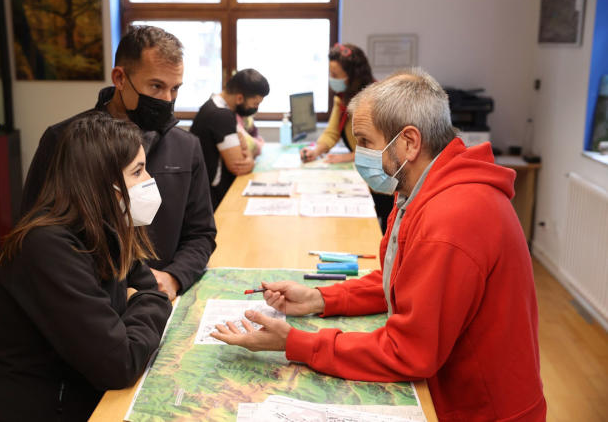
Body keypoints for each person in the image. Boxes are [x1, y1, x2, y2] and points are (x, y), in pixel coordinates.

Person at [211, 68, 546, 421]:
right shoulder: (424, 192)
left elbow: (408, 352)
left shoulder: (451, 219)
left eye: (366, 143)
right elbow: (403, 275)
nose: (360, 155)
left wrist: (294, 342)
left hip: (483, 411)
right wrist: (320, 298)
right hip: (457, 393)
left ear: (409, 142)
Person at [0, 114, 173, 421]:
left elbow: (145, 289)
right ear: (100, 181)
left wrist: (141, 304)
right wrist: (152, 301)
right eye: (138, 171)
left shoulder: (109, 227)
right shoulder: (47, 247)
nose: (149, 180)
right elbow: (119, 363)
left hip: (82, 397)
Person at [21, 26, 216, 301]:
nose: (167, 100)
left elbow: (202, 232)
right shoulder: (63, 140)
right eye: (156, 86)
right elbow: (34, 231)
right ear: (120, 78)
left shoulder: (186, 147)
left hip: (160, 300)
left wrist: (173, 277)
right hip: (82, 301)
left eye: (175, 89)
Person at [299, 43, 394, 234]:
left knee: (383, 228)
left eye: (336, 74)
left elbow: (382, 146)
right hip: (365, 173)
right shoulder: (341, 98)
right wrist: (316, 150)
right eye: (330, 73)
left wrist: (350, 156)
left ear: (353, 75)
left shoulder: (376, 99)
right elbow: (332, 131)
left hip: (384, 176)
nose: (331, 79)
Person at [190, 68, 270, 209]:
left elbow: (242, 148)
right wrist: (250, 162)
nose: (256, 108)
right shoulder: (221, 115)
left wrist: (246, 152)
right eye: (255, 103)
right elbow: (238, 166)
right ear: (239, 98)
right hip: (215, 199)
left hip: (204, 193)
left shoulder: (211, 105)